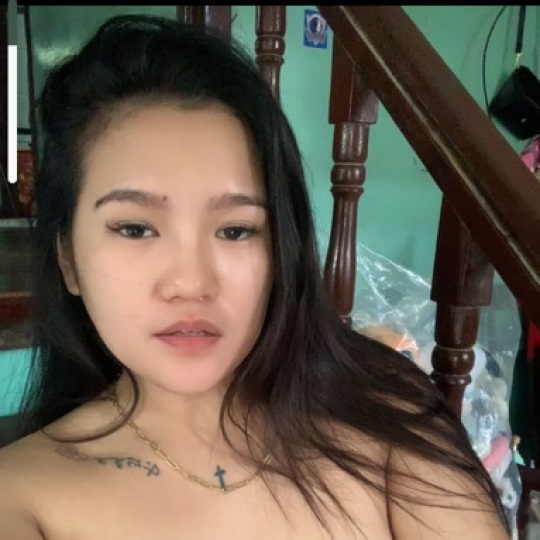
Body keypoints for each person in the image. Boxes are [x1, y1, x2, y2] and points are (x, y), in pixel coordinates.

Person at [0, 14, 511, 539]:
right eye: (134, 228)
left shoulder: (389, 417)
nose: (192, 282)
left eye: (236, 230)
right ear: (68, 259)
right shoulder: (21, 497)